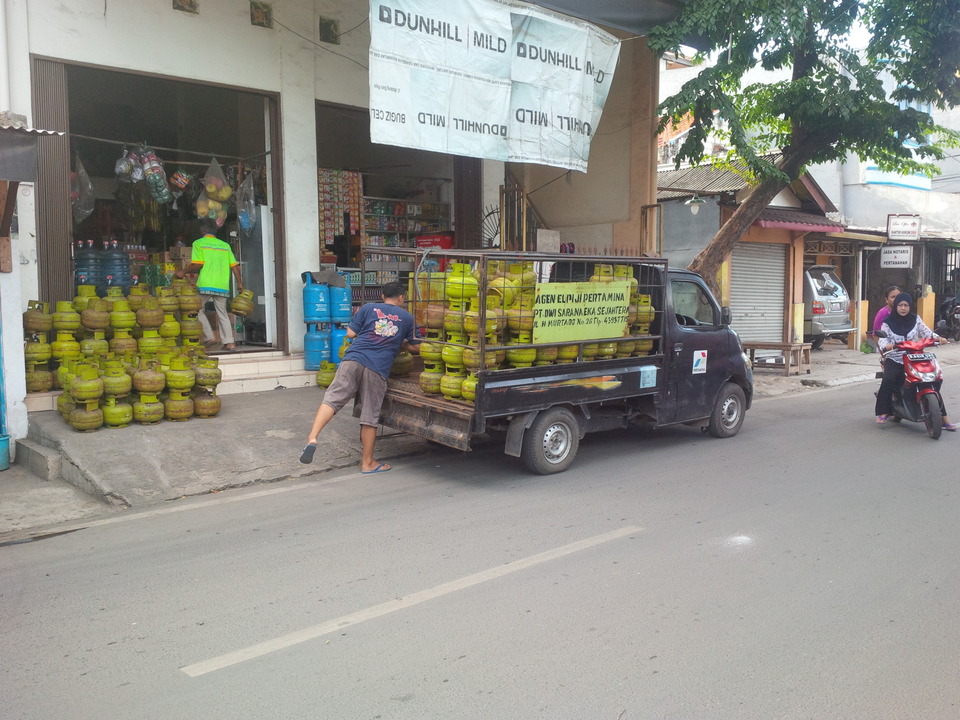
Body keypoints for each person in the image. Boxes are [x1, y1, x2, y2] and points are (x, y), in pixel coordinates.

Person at [299, 281, 420, 472]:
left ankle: (312, 437)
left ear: (382, 296)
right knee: (370, 415)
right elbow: (416, 346)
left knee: (332, 399)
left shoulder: (368, 308)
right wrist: (399, 342)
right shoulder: (407, 317)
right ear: (402, 297)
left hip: (353, 358)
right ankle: (368, 463)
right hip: (377, 366)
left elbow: (350, 333)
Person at [875, 291, 956, 429]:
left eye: (906, 305)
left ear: (910, 306)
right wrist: (886, 346)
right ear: (896, 306)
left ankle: (943, 418)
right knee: (889, 379)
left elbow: (927, 332)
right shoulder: (887, 322)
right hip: (896, 357)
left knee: (931, 381)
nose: (903, 308)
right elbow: (883, 339)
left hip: (915, 356)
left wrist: (938, 338)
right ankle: (883, 411)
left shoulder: (916, 319)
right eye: (900, 305)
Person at [174, 219, 243, 351]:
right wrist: (239, 283)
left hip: (206, 283)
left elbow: (198, 263)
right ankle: (229, 342)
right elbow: (235, 267)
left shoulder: (199, 243)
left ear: (202, 230)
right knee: (222, 312)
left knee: (196, 309)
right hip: (222, 285)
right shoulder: (225, 245)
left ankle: (209, 338)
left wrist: (183, 271)